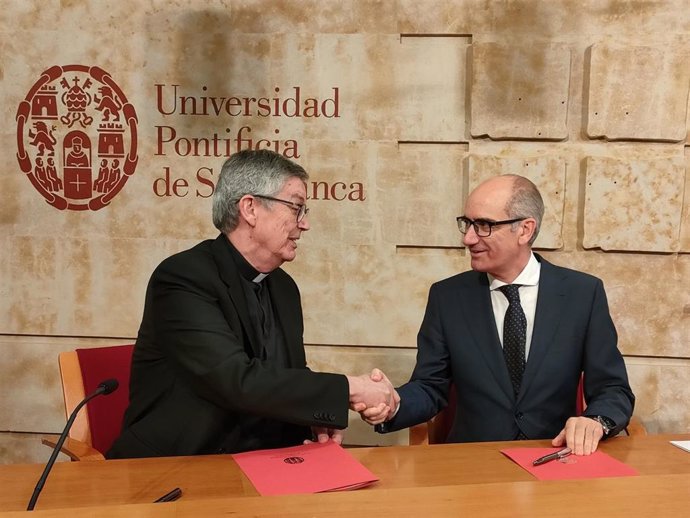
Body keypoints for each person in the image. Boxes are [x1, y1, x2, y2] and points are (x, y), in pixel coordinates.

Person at [107, 149, 395, 459]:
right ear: (250, 208)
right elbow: (235, 380)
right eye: (297, 207)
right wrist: (350, 389)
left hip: (267, 462)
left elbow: (287, 375)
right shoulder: (182, 278)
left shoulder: (284, 287)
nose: (305, 224)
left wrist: (314, 419)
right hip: (180, 463)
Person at [372, 174, 634, 456]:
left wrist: (596, 421)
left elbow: (613, 387)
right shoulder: (447, 297)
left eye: (483, 225)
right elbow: (430, 387)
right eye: (467, 223)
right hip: (473, 464)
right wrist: (393, 403)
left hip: (554, 457)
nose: (468, 238)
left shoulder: (583, 293)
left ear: (525, 230)